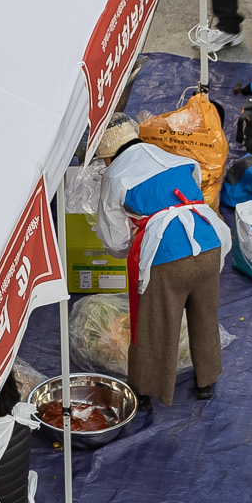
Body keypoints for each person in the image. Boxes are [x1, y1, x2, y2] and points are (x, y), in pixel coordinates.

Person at [91, 114, 226, 406]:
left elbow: (116, 241)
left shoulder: (116, 175)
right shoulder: (174, 157)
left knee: (155, 326)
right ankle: (207, 382)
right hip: (210, 242)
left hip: (167, 258)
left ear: (107, 157)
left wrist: (133, 242)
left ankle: (147, 390)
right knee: (204, 316)